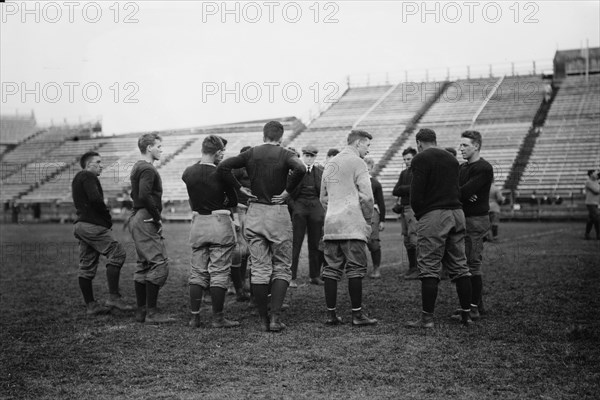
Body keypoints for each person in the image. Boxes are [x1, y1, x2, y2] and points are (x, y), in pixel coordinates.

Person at [217, 121, 306, 332]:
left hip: (255, 212)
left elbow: (223, 167)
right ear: (281, 137)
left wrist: (240, 188)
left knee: (259, 267)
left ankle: (263, 318)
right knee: (282, 266)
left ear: (263, 135)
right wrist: (287, 191)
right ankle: (275, 317)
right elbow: (301, 168)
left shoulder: (251, 153)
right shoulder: (285, 153)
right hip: (277, 211)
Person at [406, 128, 473, 328]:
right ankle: (466, 314)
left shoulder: (421, 158)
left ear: (419, 143)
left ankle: (427, 318)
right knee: (461, 266)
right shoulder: (452, 159)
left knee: (428, 266)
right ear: (435, 140)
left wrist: (420, 214)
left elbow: (416, 193)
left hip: (435, 216)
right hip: (457, 213)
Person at [320, 130, 378, 326]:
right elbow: (368, 197)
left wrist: (334, 212)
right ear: (359, 143)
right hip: (352, 223)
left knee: (331, 270)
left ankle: (330, 314)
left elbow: (323, 198)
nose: (368, 150)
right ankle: (357, 315)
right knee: (355, 269)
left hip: (331, 225)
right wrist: (368, 221)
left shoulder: (330, 163)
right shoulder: (358, 162)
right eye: (367, 145)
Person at [182, 135, 240, 328]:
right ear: (217, 152)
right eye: (221, 152)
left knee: (197, 272)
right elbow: (232, 201)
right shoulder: (223, 172)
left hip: (198, 223)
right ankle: (218, 318)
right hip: (219, 223)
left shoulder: (188, 172)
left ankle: (194, 317)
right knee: (220, 272)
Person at [71, 151, 132, 316]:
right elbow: (95, 199)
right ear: (89, 164)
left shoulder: (78, 178)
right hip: (93, 225)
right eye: (98, 162)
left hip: (81, 226)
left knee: (87, 266)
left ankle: (91, 305)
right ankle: (113, 297)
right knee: (117, 254)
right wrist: (106, 216)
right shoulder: (88, 176)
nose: (101, 165)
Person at [129, 132, 174, 324]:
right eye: (159, 146)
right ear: (149, 148)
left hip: (137, 217)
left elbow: (137, 194)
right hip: (146, 218)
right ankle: (152, 312)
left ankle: (141, 311)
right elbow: (144, 194)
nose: (161, 149)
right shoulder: (147, 168)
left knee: (143, 264)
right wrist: (157, 217)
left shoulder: (138, 166)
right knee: (158, 263)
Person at [452, 130, 494, 322]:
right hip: (466, 218)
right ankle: (476, 305)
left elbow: (462, 192)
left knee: (472, 264)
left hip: (476, 220)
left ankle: (473, 308)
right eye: (460, 145)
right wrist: (464, 193)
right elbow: (458, 191)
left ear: (476, 146)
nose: (460, 148)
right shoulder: (463, 168)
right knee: (467, 263)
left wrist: (464, 193)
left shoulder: (484, 167)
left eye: (465, 145)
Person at [289, 145, 326, 287]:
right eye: (307, 156)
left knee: (315, 244)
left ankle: (314, 275)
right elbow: (288, 192)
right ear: (303, 156)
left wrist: (320, 208)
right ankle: (292, 277)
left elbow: (323, 192)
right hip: (300, 208)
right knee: (296, 244)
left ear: (315, 157)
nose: (309, 158)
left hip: (315, 210)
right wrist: (295, 208)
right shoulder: (296, 171)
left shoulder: (320, 172)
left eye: (312, 156)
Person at [392, 147, 418, 280]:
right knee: (407, 239)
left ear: (415, 157)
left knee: (414, 238)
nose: (407, 161)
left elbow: (417, 188)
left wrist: (404, 189)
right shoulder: (404, 173)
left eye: (409, 159)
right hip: (404, 208)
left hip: (414, 208)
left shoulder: (419, 172)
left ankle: (419, 269)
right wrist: (407, 189)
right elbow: (395, 190)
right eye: (405, 159)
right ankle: (412, 267)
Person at [364, 157, 386, 279]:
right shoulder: (355, 182)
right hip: (358, 214)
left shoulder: (376, 183)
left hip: (373, 214)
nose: (365, 170)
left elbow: (381, 203)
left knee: (373, 242)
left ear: (372, 168)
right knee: (357, 242)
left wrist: (382, 220)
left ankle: (376, 268)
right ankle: (358, 268)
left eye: (368, 168)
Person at [584, 169, 600, 240]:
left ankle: (587, 234)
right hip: (591, 203)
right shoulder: (589, 182)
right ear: (591, 174)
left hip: (595, 202)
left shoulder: (596, 182)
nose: (597, 175)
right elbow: (597, 191)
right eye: (595, 173)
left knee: (591, 219)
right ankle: (598, 234)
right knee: (597, 218)